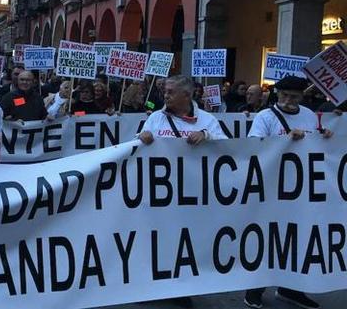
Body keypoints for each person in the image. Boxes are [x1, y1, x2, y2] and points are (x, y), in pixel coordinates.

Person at [137, 75, 227, 309]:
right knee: (157, 237)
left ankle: (180, 287)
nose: (164, 95)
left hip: (191, 194)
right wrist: (142, 137)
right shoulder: (156, 118)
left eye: (170, 92)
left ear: (187, 95)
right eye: (164, 91)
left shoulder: (206, 120)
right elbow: (138, 146)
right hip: (159, 193)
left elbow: (227, 147)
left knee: (185, 240)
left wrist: (207, 136)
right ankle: (151, 284)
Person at [244, 76, 332, 309]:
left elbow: (315, 142)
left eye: (294, 97)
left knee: (299, 237)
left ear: (302, 97)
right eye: (284, 95)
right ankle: (255, 289)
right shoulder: (265, 117)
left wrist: (325, 138)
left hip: (301, 189)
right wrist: (285, 139)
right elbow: (254, 145)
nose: (288, 100)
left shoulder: (309, 115)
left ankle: (291, 289)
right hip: (272, 188)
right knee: (269, 237)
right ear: (277, 95)